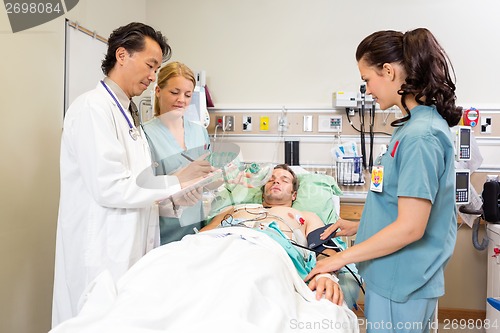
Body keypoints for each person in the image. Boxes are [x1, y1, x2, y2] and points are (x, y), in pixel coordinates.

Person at [52, 22, 212, 327]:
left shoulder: (127, 115)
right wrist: (177, 180)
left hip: (129, 251)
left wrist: (175, 200)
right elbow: (110, 187)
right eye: (151, 65)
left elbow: (138, 189)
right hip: (101, 253)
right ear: (122, 55)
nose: (153, 76)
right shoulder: (92, 109)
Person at [306, 28, 462, 332]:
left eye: (367, 80)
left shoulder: (422, 136)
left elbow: (411, 227)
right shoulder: (409, 128)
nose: (367, 89)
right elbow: (396, 203)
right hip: (392, 276)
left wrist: (338, 260)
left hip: (401, 281)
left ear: (388, 71)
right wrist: (359, 226)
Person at [203, 164, 345, 306]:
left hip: (268, 254)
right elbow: (202, 237)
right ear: (263, 191)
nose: (276, 181)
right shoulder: (234, 209)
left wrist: (325, 275)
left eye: (284, 180)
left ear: (294, 194)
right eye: (271, 179)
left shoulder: (307, 217)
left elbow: (325, 249)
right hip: (221, 248)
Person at [142, 62, 210, 244]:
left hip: (196, 229)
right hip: (161, 233)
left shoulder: (199, 132)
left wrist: (231, 177)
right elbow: (143, 189)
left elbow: (207, 176)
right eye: (174, 92)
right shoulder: (144, 134)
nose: (182, 99)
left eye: (188, 95)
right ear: (157, 91)